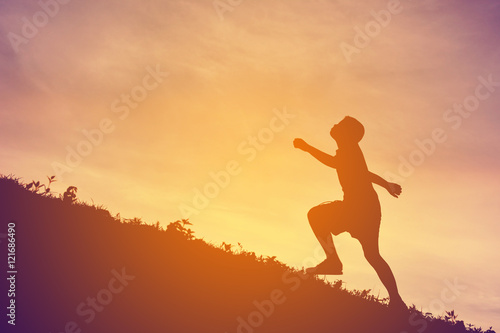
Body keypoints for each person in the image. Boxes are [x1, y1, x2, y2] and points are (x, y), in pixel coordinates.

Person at [293, 116, 405, 308]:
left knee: (315, 215)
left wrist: (308, 148)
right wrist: (386, 184)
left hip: (359, 207)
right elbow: (360, 171)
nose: (335, 124)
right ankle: (396, 300)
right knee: (372, 255)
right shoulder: (349, 150)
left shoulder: (350, 149)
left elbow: (344, 167)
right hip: (366, 208)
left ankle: (333, 263)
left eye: (340, 124)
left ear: (348, 134)